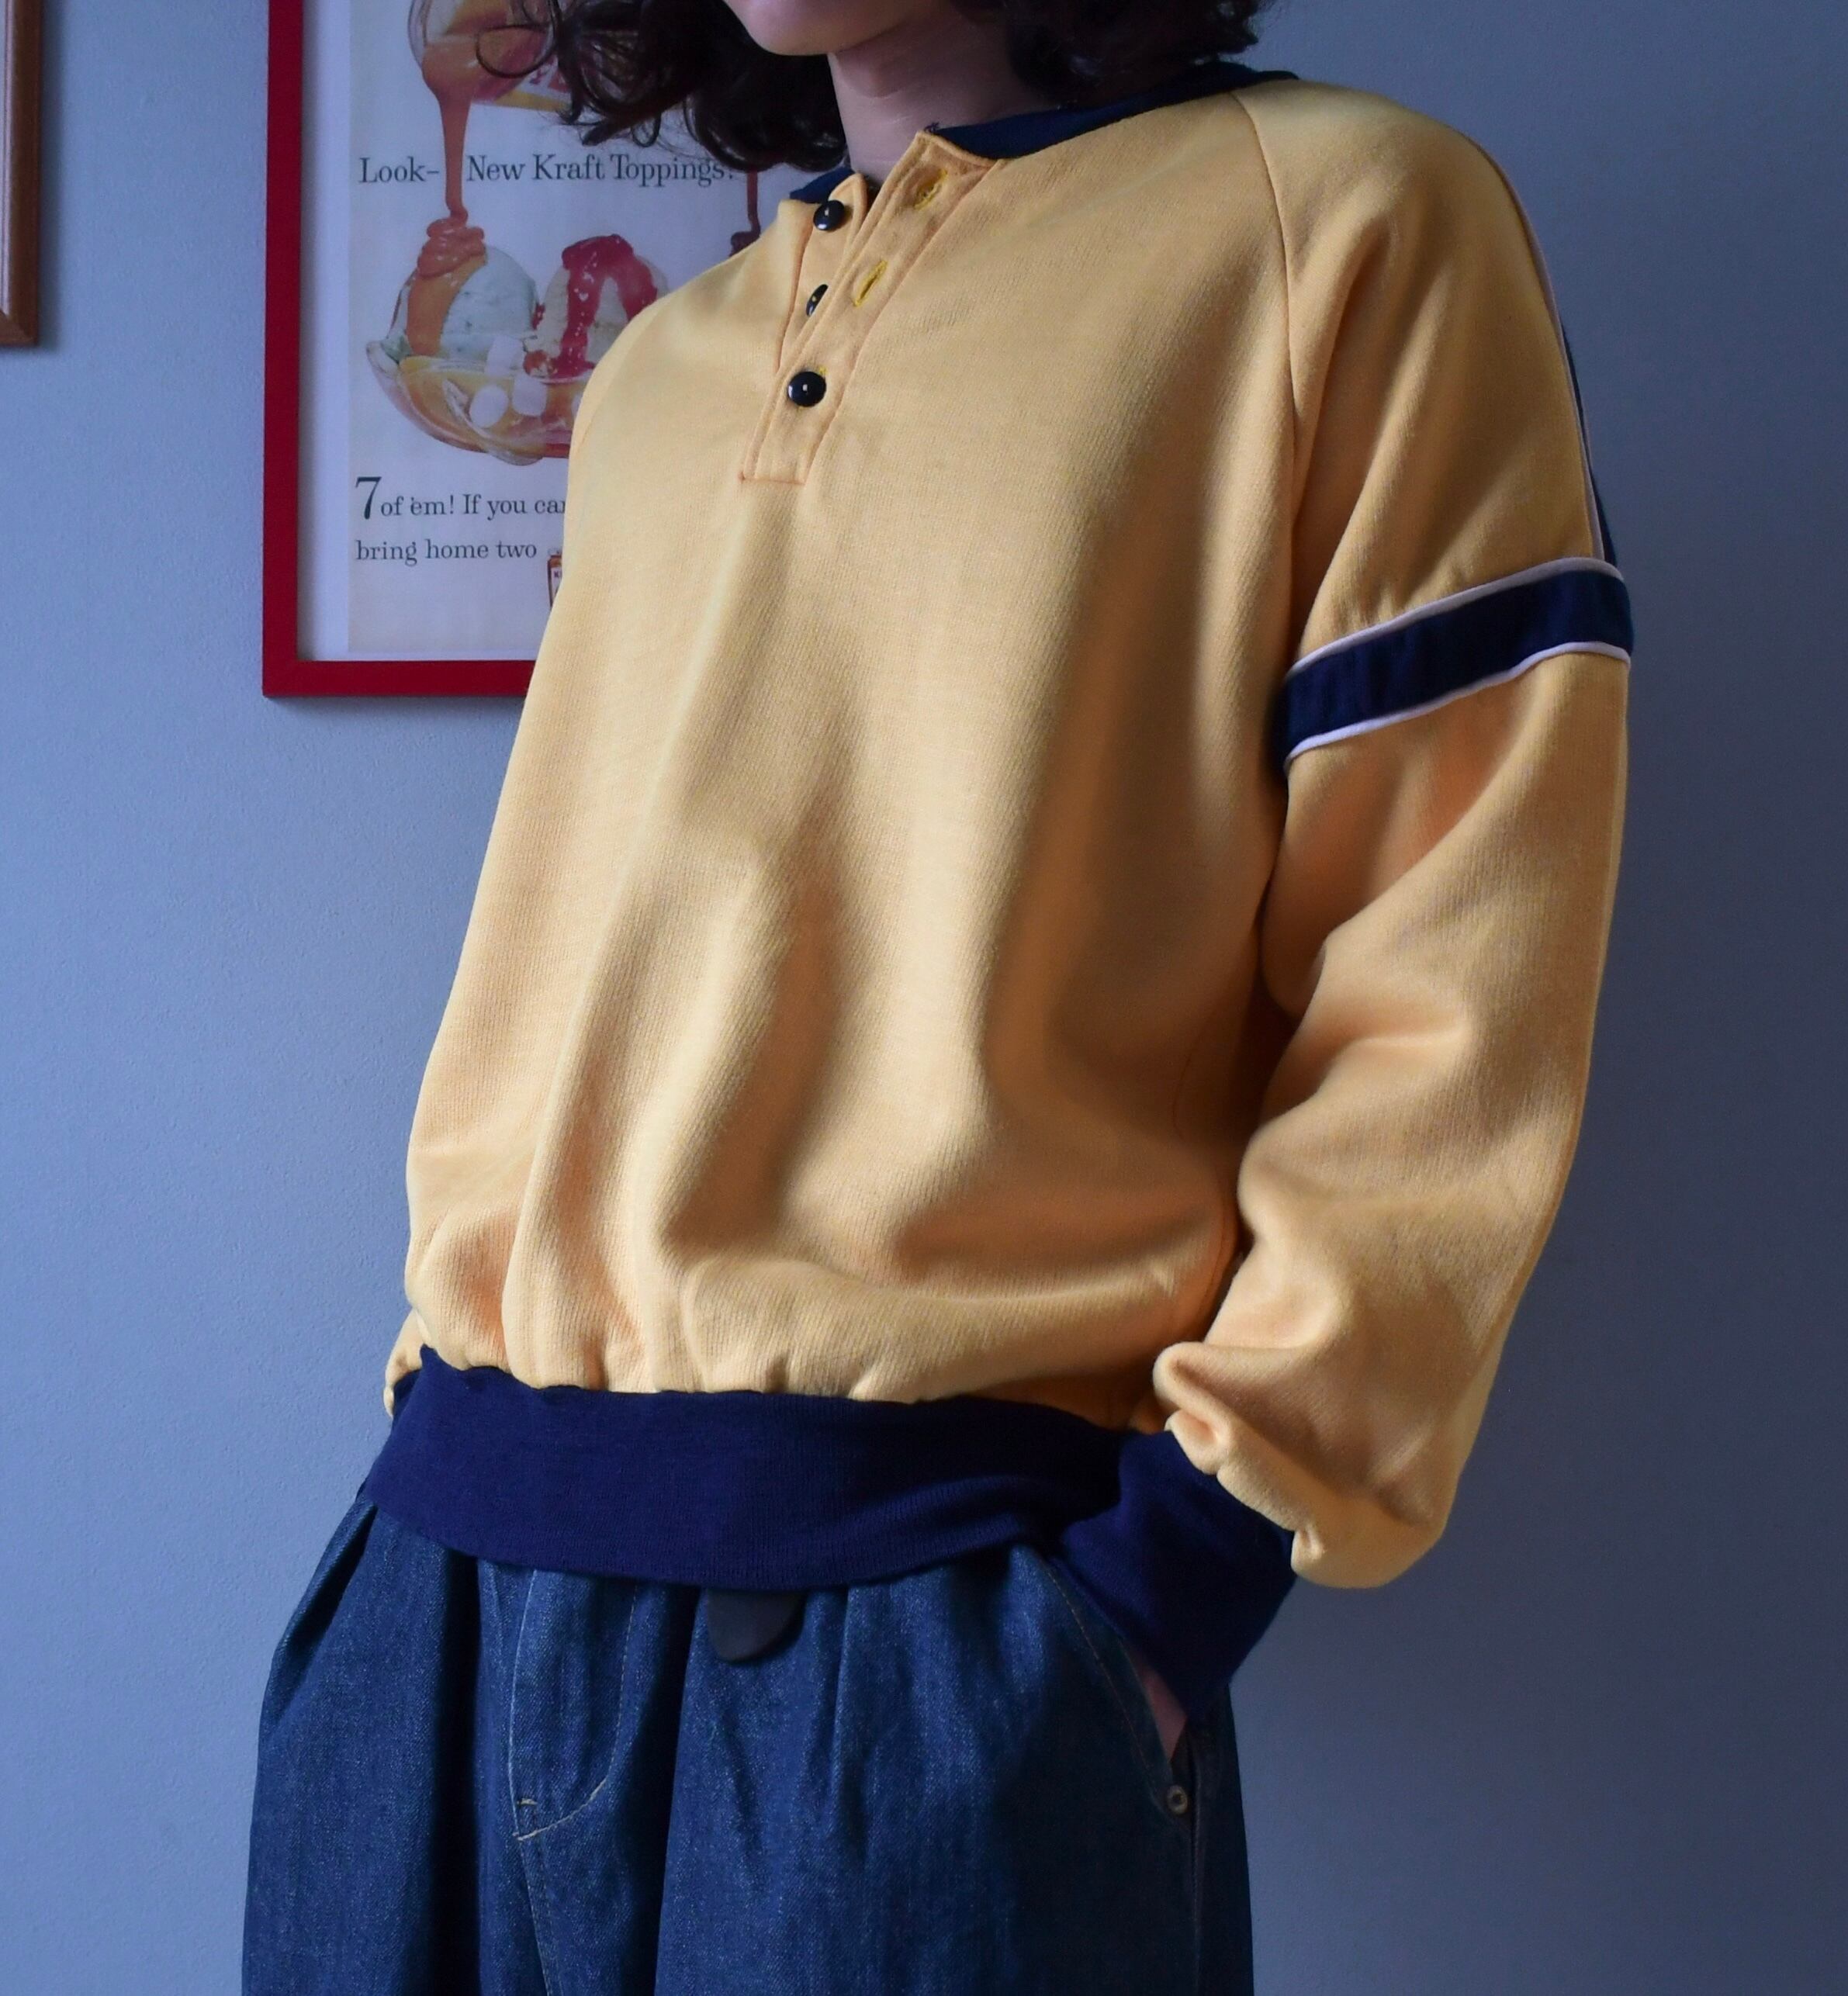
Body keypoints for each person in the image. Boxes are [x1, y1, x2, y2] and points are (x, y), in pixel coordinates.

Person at [241, 1, 1633, 1990]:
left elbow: (1453, 967)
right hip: (434, 1605)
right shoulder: (660, 367)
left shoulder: (1348, 225)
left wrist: (1174, 1584)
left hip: (926, 1646)